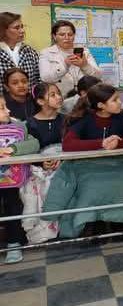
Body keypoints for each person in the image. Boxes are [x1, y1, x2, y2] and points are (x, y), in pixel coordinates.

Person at [62, 83, 123, 242]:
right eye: (115, 100)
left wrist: (118, 143)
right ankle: (95, 222)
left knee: (121, 183)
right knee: (94, 186)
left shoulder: (121, 117)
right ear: (101, 106)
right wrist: (101, 143)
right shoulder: (86, 118)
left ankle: (119, 221)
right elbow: (68, 144)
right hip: (90, 167)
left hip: (116, 166)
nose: (120, 102)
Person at [22, 82, 65, 244]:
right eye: (53, 95)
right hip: (38, 169)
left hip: (64, 166)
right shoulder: (29, 124)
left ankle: (65, 230)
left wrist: (63, 159)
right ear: (40, 101)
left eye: (59, 93)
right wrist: (41, 163)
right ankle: (42, 232)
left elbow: (70, 144)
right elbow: (28, 150)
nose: (59, 97)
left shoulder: (66, 120)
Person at [0, 94, 41, 264]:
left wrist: (13, 149)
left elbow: (34, 144)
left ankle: (14, 243)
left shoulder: (18, 126)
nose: (8, 110)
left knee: (13, 208)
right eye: (2, 108)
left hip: (11, 181)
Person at [39, 20, 101, 98]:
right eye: (62, 35)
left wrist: (85, 65)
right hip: (60, 98)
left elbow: (98, 76)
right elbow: (45, 78)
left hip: (84, 98)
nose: (67, 37)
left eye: (70, 34)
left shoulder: (84, 52)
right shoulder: (46, 53)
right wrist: (65, 65)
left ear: (74, 36)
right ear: (54, 36)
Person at [0, 12, 40, 86]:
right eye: (16, 28)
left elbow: (38, 79)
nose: (22, 31)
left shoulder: (29, 51)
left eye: (22, 27)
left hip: (29, 93)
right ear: (3, 30)